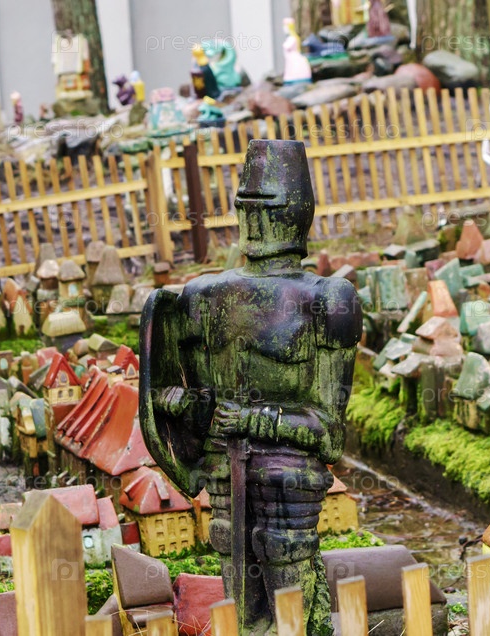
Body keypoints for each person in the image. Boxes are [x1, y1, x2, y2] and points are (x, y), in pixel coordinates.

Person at [140, 139, 362, 634]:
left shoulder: (328, 299)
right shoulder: (201, 295)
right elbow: (193, 409)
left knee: (288, 578)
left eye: (267, 207)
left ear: (294, 210)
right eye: (249, 206)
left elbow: (329, 434)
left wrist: (252, 419)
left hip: (288, 475)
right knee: (236, 590)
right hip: (223, 473)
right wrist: (187, 408)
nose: (256, 219)